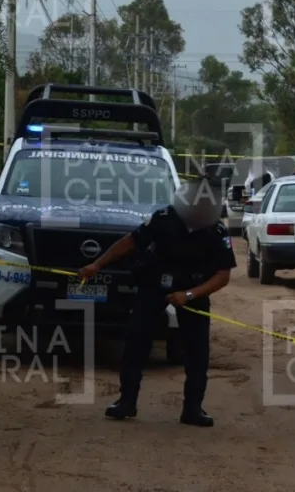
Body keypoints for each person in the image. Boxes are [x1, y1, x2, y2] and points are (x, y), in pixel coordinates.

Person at [78, 179, 236, 427]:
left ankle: (193, 409)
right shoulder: (164, 218)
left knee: (197, 352)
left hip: (193, 290)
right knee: (136, 342)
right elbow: (130, 242)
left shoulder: (217, 232)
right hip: (153, 285)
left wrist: (190, 295)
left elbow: (222, 276)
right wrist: (97, 264)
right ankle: (126, 402)